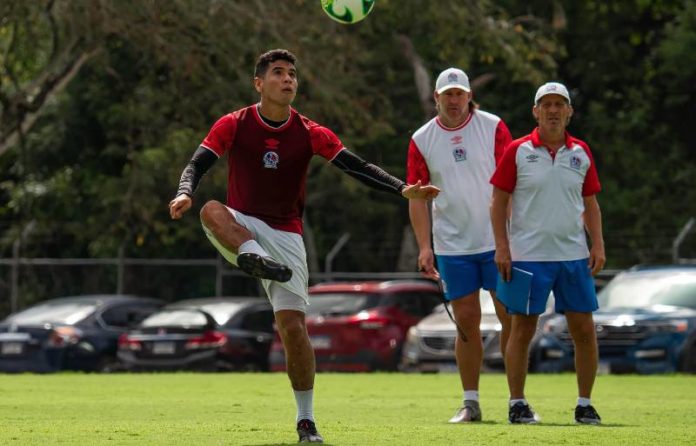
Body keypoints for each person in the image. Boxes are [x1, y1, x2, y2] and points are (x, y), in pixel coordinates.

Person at [168, 49, 440, 444]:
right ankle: (252, 255)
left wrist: (403, 188)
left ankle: (306, 420)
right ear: (259, 84)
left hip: (286, 234)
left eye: (292, 73)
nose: (288, 79)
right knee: (210, 209)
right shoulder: (234, 123)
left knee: (293, 330)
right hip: (240, 224)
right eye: (278, 73)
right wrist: (183, 193)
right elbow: (197, 164)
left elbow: (356, 166)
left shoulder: (311, 132)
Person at [489, 82, 605, 425]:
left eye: (559, 104)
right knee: (522, 329)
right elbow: (498, 202)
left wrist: (597, 243)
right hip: (527, 257)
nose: (553, 110)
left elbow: (591, 204)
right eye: (546, 105)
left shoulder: (581, 152)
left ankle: (585, 404)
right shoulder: (517, 150)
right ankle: (517, 403)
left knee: (584, 329)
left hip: (573, 256)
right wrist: (502, 246)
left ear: (569, 111)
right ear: (535, 112)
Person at [407, 67, 513, 423]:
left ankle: (519, 401)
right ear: (436, 98)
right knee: (466, 322)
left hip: (497, 240)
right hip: (453, 245)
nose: (453, 100)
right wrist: (425, 247)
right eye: (447, 94)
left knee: (510, 318)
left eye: (459, 93)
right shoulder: (422, 139)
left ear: (469, 96)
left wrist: (509, 237)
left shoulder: (493, 126)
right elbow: (417, 198)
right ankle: (470, 402)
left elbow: (511, 182)